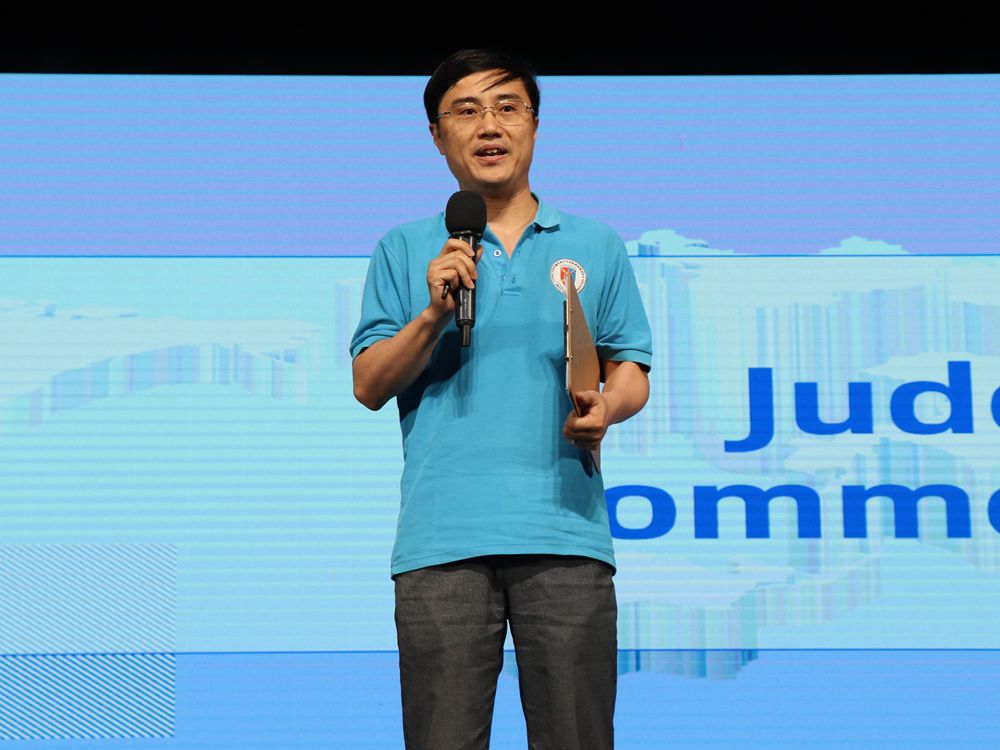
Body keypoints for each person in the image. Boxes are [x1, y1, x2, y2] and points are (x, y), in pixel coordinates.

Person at [350, 49, 651, 750]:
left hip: (565, 534)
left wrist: (608, 407)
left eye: (507, 107)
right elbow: (369, 384)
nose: (489, 125)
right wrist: (433, 313)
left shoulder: (595, 243)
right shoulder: (404, 248)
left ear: (534, 125)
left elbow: (630, 368)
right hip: (442, 541)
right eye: (467, 110)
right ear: (437, 135)